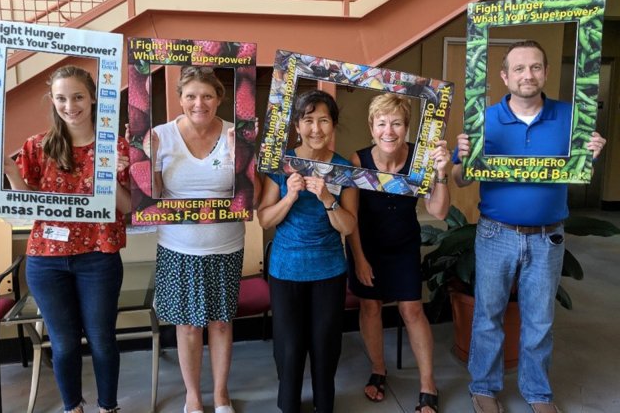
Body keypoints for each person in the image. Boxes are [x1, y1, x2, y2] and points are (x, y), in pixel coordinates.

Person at [452, 40, 606, 413]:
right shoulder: (482, 119)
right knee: (488, 315)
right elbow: (458, 179)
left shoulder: (572, 117)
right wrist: (459, 159)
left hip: (547, 237)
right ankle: (484, 388)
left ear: (546, 72)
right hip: (495, 233)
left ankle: (538, 393)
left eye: (535, 67)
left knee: (540, 319)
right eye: (519, 69)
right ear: (504, 76)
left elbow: (580, 167)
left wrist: (592, 151)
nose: (527, 75)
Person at [4, 65, 131, 413]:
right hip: (47, 258)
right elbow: (27, 204)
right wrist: (12, 172)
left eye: (77, 97)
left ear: (93, 97)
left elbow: (128, 207)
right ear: (52, 101)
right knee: (63, 343)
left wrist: (110, 175)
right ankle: (72, 407)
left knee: (103, 340)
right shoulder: (38, 146)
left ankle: (108, 408)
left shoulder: (115, 146)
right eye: (61, 98)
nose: (70, 105)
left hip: (98, 257)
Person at [151, 66, 254, 413]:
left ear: (220, 99)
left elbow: (248, 195)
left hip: (226, 245)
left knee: (222, 323)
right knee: (189, 326)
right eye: (191, 96)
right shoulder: (159, 136)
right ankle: (193, 396)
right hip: (178, 246)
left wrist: (240, 156)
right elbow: (150, 195)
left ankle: (221, 394)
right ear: (180, 99)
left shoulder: (236, 134)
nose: (199, 103)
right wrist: (144, 158)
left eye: (207, 95)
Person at [346, 93, 450, 412]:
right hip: (367, 245)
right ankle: (379, 369)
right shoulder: (357, 160)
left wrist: (441, 174)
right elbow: (351, 218)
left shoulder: (419, 160)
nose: (388, 131)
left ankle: (427, 382)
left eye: (396, 123)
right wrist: (360, 259)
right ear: (371, 127)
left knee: (412, 310)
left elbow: (439, 211)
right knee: (371, 307)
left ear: (406, 127)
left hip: (404, 245)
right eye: (381, 123)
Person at [257, 89, 358, 413]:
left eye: (324, 121)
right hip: (286, 270)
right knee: (288, 348)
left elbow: (348, 226)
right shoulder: (282, 164)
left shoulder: (343, 170)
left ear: (333, 125)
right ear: (297, 126)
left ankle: (324, 406)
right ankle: (289, 405)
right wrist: (289, 196)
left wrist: (328, 198)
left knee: (326, 345)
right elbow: (264, 219)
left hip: (328, 269)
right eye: (309, 120)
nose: (316, 128)